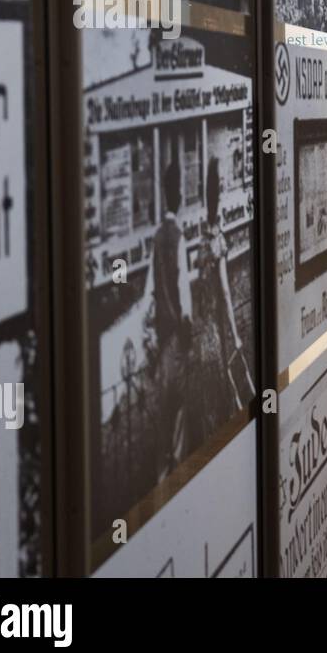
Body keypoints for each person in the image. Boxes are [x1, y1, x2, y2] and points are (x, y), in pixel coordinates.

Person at [148, 159, 193, 479]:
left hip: (161, 329)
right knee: (178, 397)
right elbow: (183, 288)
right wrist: (188, 325)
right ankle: (174, 465)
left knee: (165, 394)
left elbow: (152, 287)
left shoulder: (155, 238)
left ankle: (164, 462)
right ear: (179, 199)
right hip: (177, 328)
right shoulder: (179, 237)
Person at [200, 157, 252, 415]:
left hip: (205, 330)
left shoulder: (203, 240)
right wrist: (236, 333)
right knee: (230, 393)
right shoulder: (217, 241)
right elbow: (225, 292)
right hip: (220, 327)